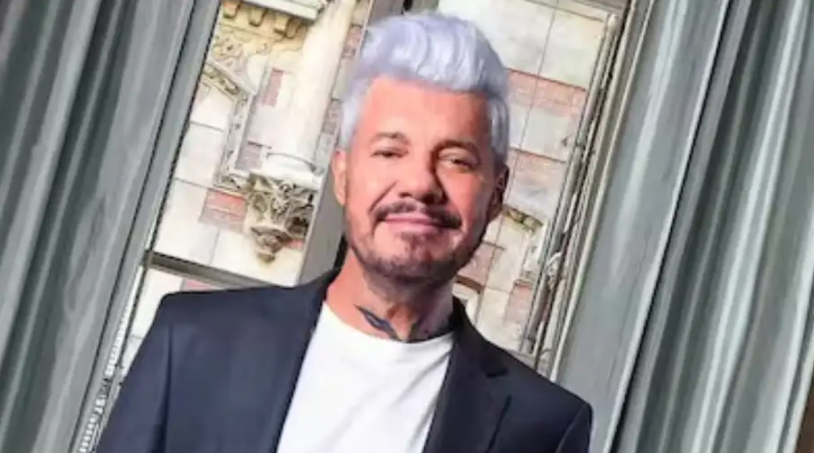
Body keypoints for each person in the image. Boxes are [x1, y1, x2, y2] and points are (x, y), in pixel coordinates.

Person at [97, 12, 592, 453]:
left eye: (456, 160)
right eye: (390, 152)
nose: (420, 183)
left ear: (496, 192)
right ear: (343, 174)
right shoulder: (191, 342)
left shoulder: (544, 429)